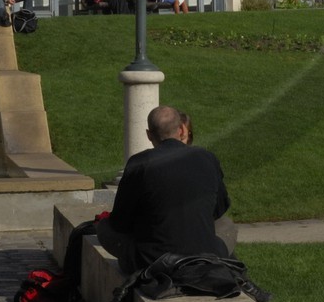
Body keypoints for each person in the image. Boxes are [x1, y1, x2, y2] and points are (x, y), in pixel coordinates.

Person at [97, 105, 231, 274]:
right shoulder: (207, 157)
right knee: (227, 225)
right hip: (205, 255)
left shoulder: (139, 163)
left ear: (149, 134)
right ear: (182, 129)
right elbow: (220, 208)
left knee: (103, 228)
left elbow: (120, 223)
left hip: (153, 260)